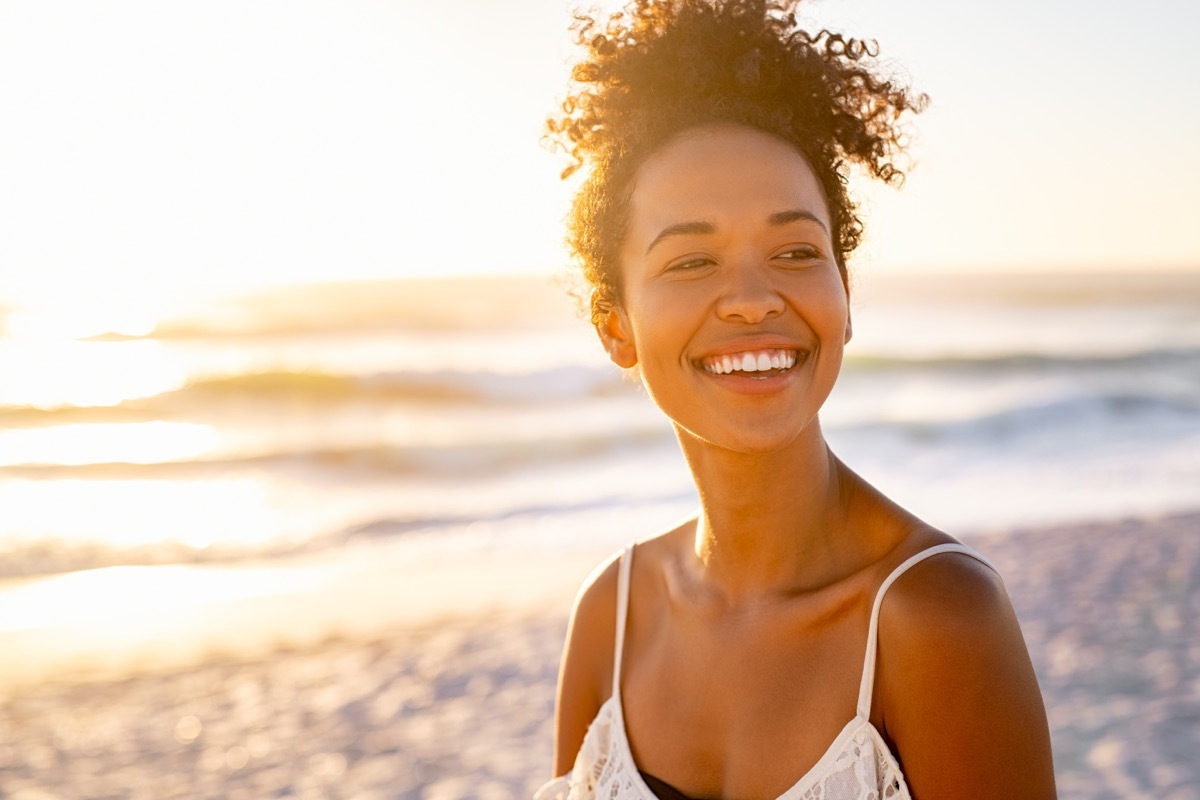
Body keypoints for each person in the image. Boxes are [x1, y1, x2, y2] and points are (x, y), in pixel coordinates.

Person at [536, 1, 1056, 798]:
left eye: (794, 250)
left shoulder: (936, 618)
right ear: (617, 328)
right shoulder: (611, 617)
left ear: (844, 297)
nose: (752, 299)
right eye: (691, 262)